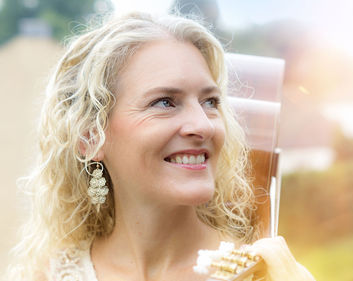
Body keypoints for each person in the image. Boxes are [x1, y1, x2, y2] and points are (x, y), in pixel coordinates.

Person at [7, 12, 315, 281]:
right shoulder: (49, 275)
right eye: (165, 102)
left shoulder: (264, 274)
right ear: (91, 138)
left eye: (210, 102)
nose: (204, 125)